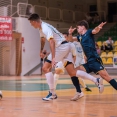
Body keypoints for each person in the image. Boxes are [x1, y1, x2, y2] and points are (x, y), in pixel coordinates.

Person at [28, 14, 104, 101]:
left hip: (61, 47)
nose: (31, 24)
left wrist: (53, 58)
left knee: (45, 68)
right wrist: (41, 50)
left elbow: (52, 42)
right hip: (65, 46)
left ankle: (52, 93)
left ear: (34, 22)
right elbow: (42, 39)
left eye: (31, 23)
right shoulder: (42, 28)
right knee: (72, 72)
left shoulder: (45, 27)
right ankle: (96, 80)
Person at [68, 20, 117, 91]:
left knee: (106, 77)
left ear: (83, 27)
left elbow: (95, 31)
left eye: (78, 27)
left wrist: (98, 27)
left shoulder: (88, 32)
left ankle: (98, 81)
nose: (77, 29)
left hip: (94, 60)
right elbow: (71, 39)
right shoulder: (80, 37)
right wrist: (70, 33)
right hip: (88, 61)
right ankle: (80, 91)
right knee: (74, 71)